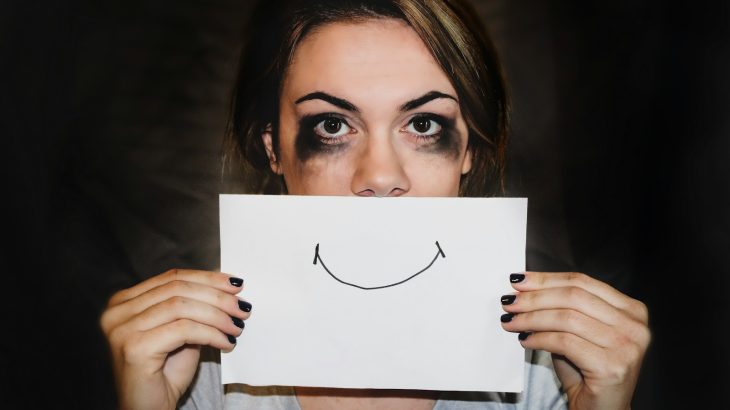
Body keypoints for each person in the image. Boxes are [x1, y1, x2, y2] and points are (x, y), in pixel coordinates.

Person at [100, 0, 650, 409]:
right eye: (333, 125)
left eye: (424, 124)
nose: (380, 176)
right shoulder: (195, 375)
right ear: (274, 149)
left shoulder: (549, 375)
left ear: (469, 151)